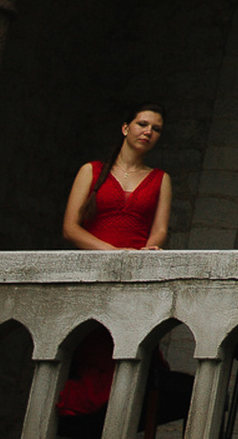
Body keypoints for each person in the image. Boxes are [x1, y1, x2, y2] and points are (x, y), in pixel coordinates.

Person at [58, 106, 177, 439]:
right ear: (125, 127)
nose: (148, 131)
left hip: (134, 279)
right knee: (90, 354)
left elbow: (160, 230)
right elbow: (70, 227)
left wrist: (146, 252)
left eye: (156, 128)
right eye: (142, 124)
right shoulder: (92, 171)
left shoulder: (160, 178)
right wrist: (113, 254)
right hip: (94, 275)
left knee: (125, 356)